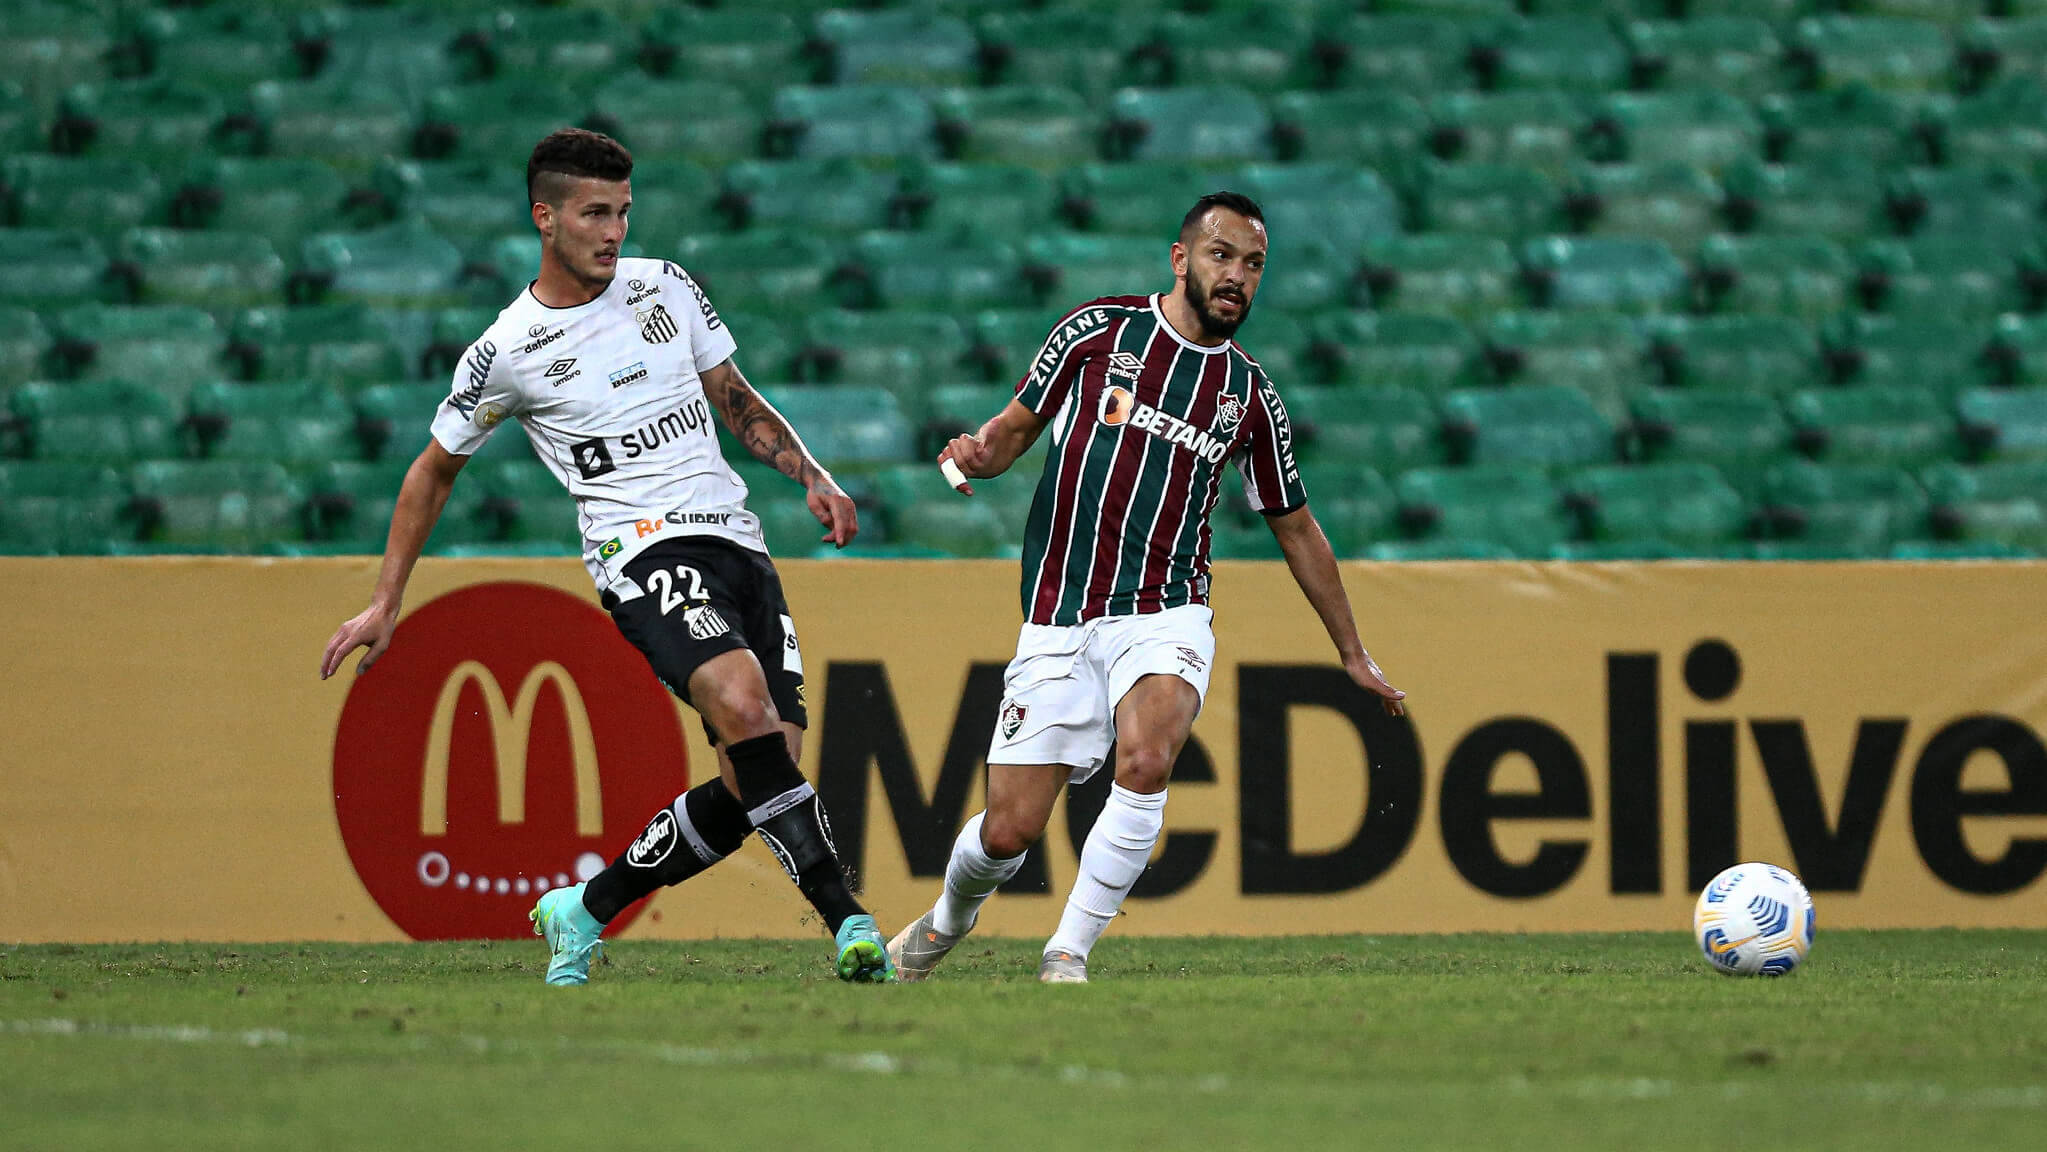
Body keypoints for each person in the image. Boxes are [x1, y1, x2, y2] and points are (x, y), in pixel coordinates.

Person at [319, 128, 893, 985]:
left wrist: (808, 471)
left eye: (623, 212)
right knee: (740, 704)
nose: (613, 230)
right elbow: (432, 471)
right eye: (594, 214)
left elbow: (731, 396)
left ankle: (582, 908)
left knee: (764, 772)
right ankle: (847, 917)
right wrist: (384, 599)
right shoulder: (508, 349)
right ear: (544, 219)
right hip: (640, 550)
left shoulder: (664, 286)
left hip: (736, 541)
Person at [887, 192, 1407, 983]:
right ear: (1180, 258)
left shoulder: (1250, 396)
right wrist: (979, 455)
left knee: (1147, 757)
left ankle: (1067, 952)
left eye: (1253, 264)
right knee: (1008, 833)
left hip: (1166, 610)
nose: (1236, 276)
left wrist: (1352, 651)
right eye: (1221, 255)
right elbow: (1014, 429)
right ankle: (945, 922)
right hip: (1059, 615)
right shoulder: (1098, 331)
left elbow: (1295, 527)